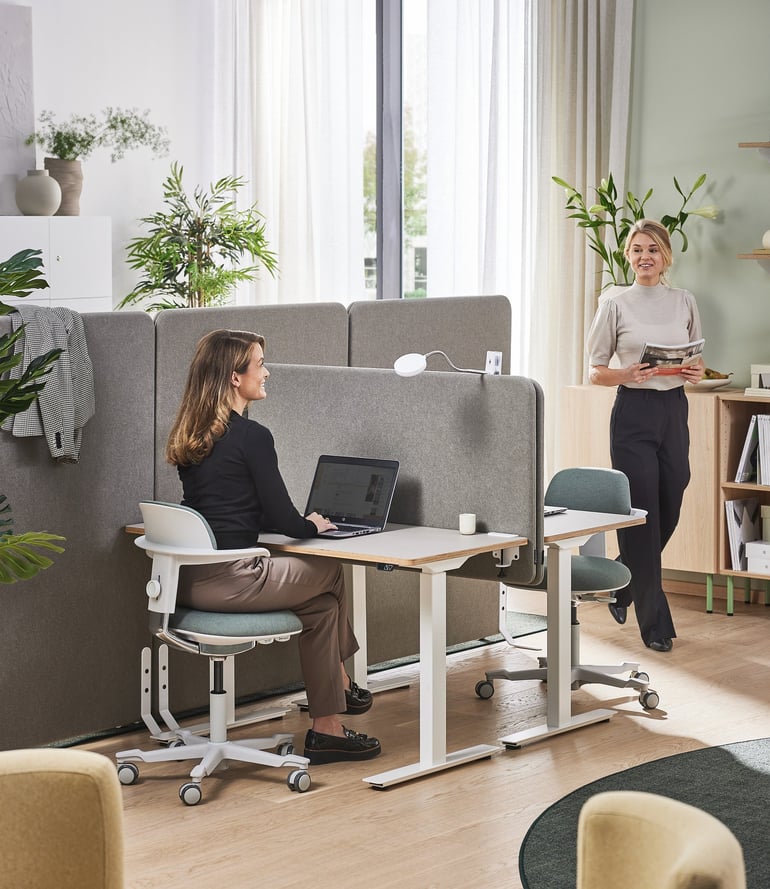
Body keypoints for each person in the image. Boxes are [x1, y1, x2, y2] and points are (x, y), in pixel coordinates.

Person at [166, 328, 381, 763]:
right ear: (234, 377)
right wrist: (312, 525)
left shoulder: (193, 435)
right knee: (331, 569)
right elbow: (284, 520)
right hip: (234, 578)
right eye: (259, 364)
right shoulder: (252, 436)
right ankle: (341, 681)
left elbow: (241, 508)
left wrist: (292, 523)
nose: (266, 372)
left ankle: (327, 729)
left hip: (186, 582)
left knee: (321, 610)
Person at [586, 219, 704, 653]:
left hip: (674, 411)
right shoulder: (615, 304)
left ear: (665, 255)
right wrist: (628, 372)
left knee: (671, 503)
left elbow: (696, 356)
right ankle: (655, 626)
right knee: (643, 514)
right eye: (636, 249)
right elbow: (596, 370)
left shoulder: (684, 301)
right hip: (633, 414)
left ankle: (623, 580)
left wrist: (695, 371)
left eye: (652, 249)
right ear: (628, 256)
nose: (644, 257)